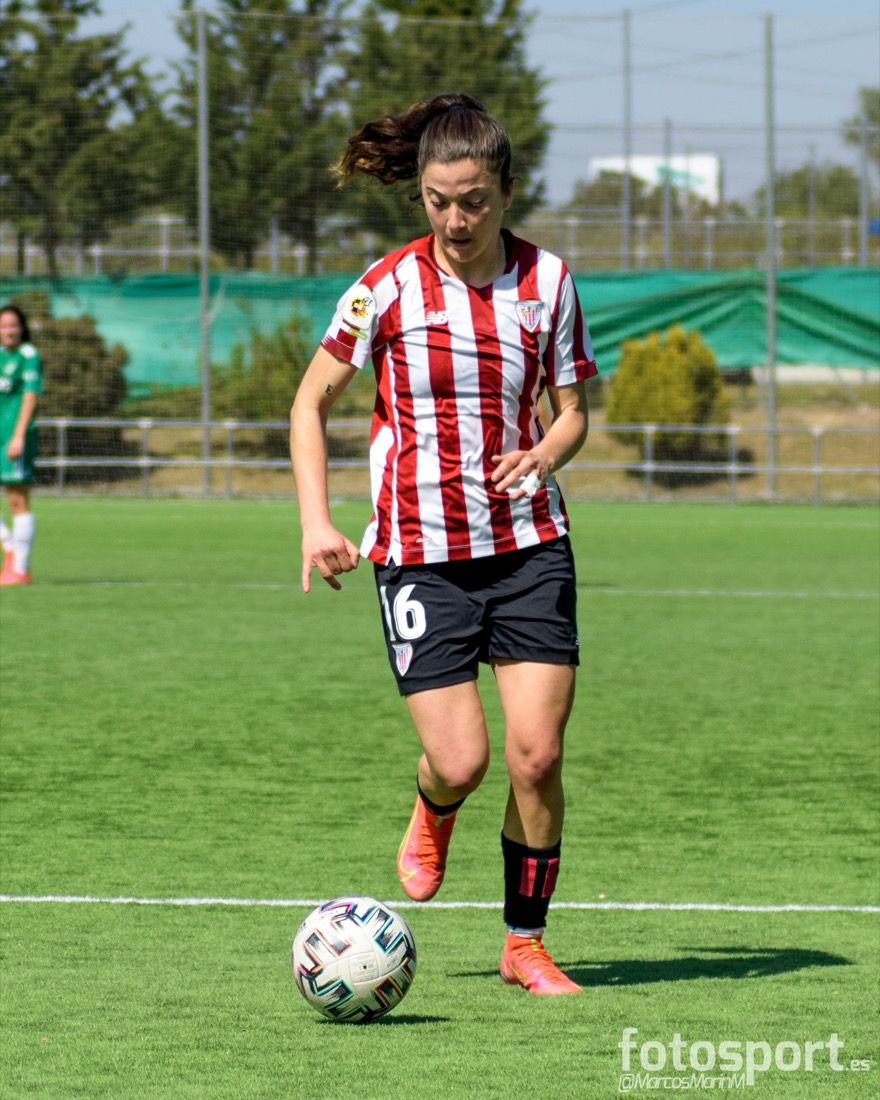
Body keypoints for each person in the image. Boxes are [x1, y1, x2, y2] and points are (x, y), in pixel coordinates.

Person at [290, 93, 597, 996]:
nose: (455, 220)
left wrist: (544, 453)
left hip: (529, 546)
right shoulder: (383, 286)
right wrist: (316, 522)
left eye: (473, 201)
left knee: (537, 755)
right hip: (419, 555)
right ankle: (435, 806)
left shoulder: (549, 283)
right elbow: (309, 403)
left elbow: (573, 413)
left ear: (506, 191)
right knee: (463, 760)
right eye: (437, 201)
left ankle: (524, 945)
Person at [0, 304, 42, 587]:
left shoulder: (29, 355)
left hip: (15, 436)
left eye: (13, 325)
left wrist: (18, 436)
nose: (8, 331)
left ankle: (20, 569)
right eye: (3, 326)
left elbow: (30, 396)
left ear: (22, 327)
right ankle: (10, 546)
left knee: (17, 499)